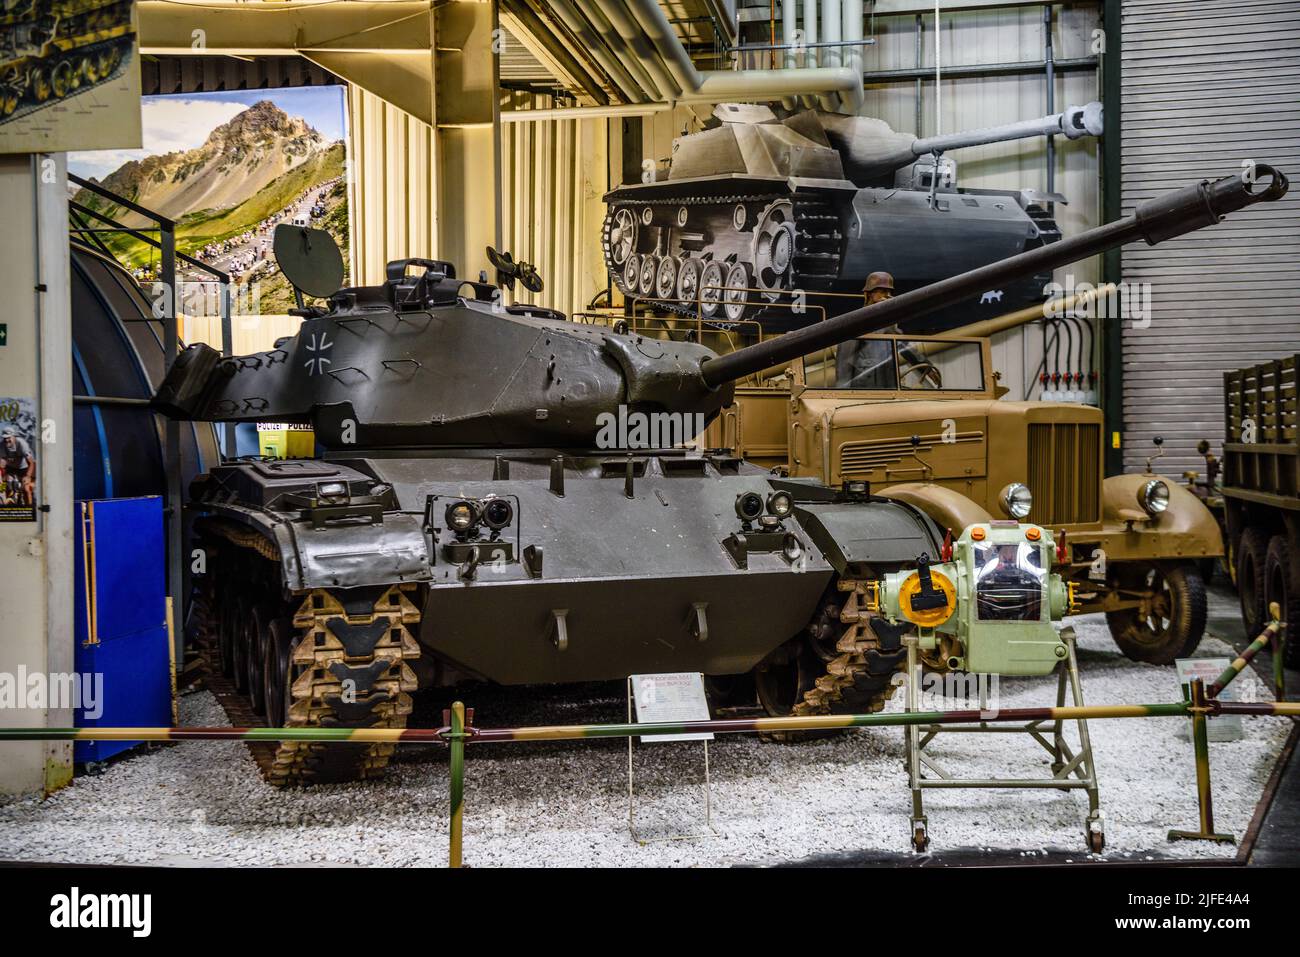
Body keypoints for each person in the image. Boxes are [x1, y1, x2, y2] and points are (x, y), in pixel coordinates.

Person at [835, 271, 899, 389]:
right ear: (869, 294)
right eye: (883, 291)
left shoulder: (889, 321)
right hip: (866, 382)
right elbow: (845, 359)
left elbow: (901, 343)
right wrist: (842, 390)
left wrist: (922, 364)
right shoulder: (856, 319)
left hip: (888, 380)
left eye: (889, 291)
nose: (887, 295)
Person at [0, 427, 36, 507]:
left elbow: (31, 463)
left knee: (26, 489)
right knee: (6, 486)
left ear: (14, 436)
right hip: (10, 468)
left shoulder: (22, 444)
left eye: (8, 438)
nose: (6, 440)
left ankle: (29, 509)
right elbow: (1, 464)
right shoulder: (1, 446)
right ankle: (8, 508)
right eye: (5, 438)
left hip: (23, 468)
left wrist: (28, 476)